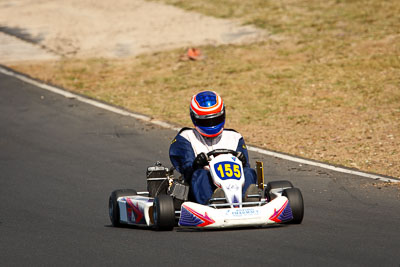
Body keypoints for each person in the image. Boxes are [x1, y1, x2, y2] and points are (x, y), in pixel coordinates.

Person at [169, 91, 257, 205]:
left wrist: (243, 161)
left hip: (233, 183)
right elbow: (186, 168)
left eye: (215, 119)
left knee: (248, 172)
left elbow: (244, 167)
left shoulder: (234, 137)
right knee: (200, 174)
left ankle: (248, 200)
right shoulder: (186, 137)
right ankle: (213, 201)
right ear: (195, 118)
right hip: (199, 188)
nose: (211, 125)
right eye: (205, 121)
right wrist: (196, 165)